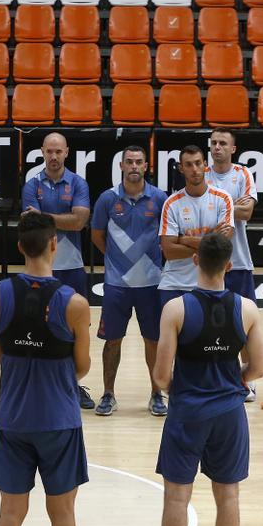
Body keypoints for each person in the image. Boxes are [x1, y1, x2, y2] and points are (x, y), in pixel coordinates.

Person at [0, 211, 100, 526]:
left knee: (10, 512)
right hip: (59, 420)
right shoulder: (76, 303)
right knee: (62, 514)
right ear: (54, 245)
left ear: (18, 247)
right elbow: (82, 368)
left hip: (13, 419)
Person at [133, 232, 263, 526]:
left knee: (177, 496)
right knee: (229, 495)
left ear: (195, 261)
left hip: (188, 411)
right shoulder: (248, 309)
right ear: (229, 265)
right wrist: (231, 383)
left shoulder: (176, 309)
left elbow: (160, 376)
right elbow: (258, 368)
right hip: (229, 413)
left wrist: (185, 390)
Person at [89, 145, 169, 417]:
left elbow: (165, 236)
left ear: (146, 166)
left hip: (151, 284)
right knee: (112, 341)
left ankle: (157, 394)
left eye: (139, 162)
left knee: (153, 341)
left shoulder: (159, 198)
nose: (134, 166)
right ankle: (108, 393)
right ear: (121, 166)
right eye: (129, 162)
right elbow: (97, 235)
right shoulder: (107, 199)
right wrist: (117, 261)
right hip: (116, 285)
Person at [158, 144, 236, 417]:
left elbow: (222, 245)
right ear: (181, 169)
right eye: (187, 164)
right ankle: (164, 394)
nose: (194, 169)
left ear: (206, 166)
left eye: (198, 163)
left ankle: (214, 392)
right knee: (169, 345)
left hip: (210, 284)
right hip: (174, 283)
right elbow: (167, 249)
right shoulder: (172, 203)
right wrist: (207, 239)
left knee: (209, 343)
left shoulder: (223, 198)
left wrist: (184, 239)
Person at [21, 132, 95, 410]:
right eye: (49, 151)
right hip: (42, 270)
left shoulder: (78, 183)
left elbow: (79, 222)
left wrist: (44, 217)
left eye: (58, 152)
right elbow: (35, 228)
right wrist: (62, 218)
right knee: (40, 327)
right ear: (42, 151)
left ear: (67, 153)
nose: (53, 157)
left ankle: (72, 383)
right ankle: (40, 384)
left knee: (76, 329)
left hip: (72, 267)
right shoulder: (32, 184)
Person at [205, 128, 259, 403]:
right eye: (213, 143)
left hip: (238, 261)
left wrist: (214, 204)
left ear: (233, 148)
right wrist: (230, 205)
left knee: (243, 324)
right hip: (209, 262)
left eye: (222, 143)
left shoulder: (242, 174)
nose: (217, 147)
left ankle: (246, 381)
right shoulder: (201, 173)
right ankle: (214, 377)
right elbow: (199, 204)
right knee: (210, 325)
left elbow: (247, 212)